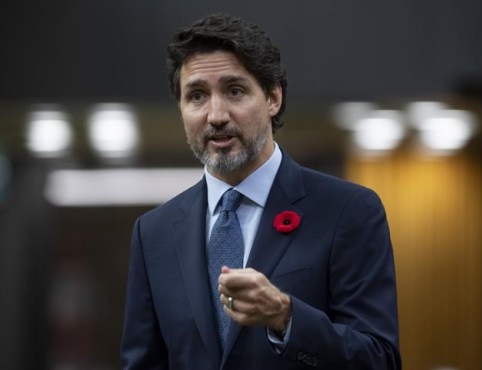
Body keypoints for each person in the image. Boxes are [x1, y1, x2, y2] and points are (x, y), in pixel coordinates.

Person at [121, 13, 401, 370]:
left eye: (234, 91)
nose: (216, 115)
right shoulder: (153, 233)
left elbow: (380, 361)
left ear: (273, 98)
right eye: (197, 96)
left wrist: (287, 317)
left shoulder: (348, 211)